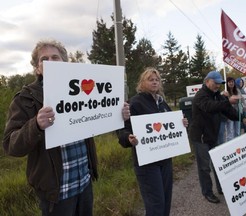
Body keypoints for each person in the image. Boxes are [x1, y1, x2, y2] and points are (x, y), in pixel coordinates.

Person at [2, 39, 130, 216]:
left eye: (55, 57)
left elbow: (99, 115)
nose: (51, 62)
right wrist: (36, 125)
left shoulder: (81, 87)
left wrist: (118, 114)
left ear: (64, 62)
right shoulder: (25, 99)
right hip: (56, 191)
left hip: (84, 181)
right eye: (44, 59)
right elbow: (10, 145)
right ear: (37, 68)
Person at [117, 67, 188, 216]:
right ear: (142, 83)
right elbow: (123, 131)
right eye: (150, 79)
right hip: (147, 163)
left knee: (166, 201)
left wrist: (182, 124)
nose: (155, 82)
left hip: (165, 159)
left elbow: (171, 126)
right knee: (156, 204)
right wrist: (128, 138)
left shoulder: (162, 103)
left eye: (157, 80)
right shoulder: (135, 103)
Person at [190, 71, 246, 204]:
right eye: (215, 83)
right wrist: (227, 101)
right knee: (204, 167)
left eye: (219, 83)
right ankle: (207, 192)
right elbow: (209, 107)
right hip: (200, 137)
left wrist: (242, 118)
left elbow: (228, 111)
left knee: (218, 164)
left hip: (212, 135)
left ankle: (221, 188)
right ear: (207, 82)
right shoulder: (201, 96)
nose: (217, 85)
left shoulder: (217, 96)